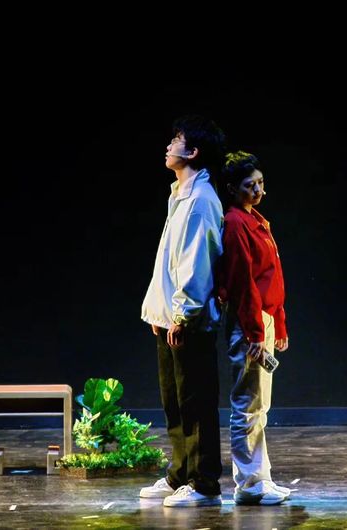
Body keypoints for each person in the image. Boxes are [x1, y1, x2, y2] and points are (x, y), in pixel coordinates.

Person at [139, 115, 226, 507]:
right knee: (174, 401)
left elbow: (196, 264)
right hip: (170, 317)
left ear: (193, 151)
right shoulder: (179, 194)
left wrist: (182, 315)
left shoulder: (201, 200)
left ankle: (203, 483)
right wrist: (160, 313)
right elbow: (169, 262)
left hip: (188, 321)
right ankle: (180, 475)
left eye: (176, 139)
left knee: (196, 402)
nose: (169, 145)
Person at [217, 150, 292, 505]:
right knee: (247, 405)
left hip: (263, 319)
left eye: (260, 183)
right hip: (249, 322)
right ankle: (247, 484)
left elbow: (272, 279)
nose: (258, 191)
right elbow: (242, 282)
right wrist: (255, 333)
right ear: (233, 189)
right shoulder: (235, 223)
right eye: (249, 186)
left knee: (260, 406)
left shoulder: (257, 220)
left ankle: (261, 478)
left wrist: (279, 323)